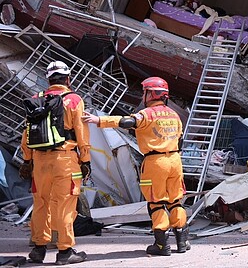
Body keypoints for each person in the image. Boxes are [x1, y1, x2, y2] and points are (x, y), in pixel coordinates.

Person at [82, 76, 190, 256]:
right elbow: (180, 139)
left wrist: (98, 120)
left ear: (150, 94)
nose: (143, 96)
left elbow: (126, 122)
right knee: (174, 201)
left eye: (144, 92)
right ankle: (183, 241)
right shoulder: (174, 115)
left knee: (156, 203)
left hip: (156, 163)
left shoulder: (146, 114)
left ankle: (162, 245)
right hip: (175, 160)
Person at [19, 61, 90, 265]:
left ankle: (39, 249)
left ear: (49, 79)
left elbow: (27, 134)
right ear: (68, 79)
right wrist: (85, 160)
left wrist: (27, 160)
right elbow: (81, 132)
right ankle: (65, 251)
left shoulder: (36, 99)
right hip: (65, 159)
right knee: (65, 205)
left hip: (40, 161)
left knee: (41, 203)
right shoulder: (74, 100)